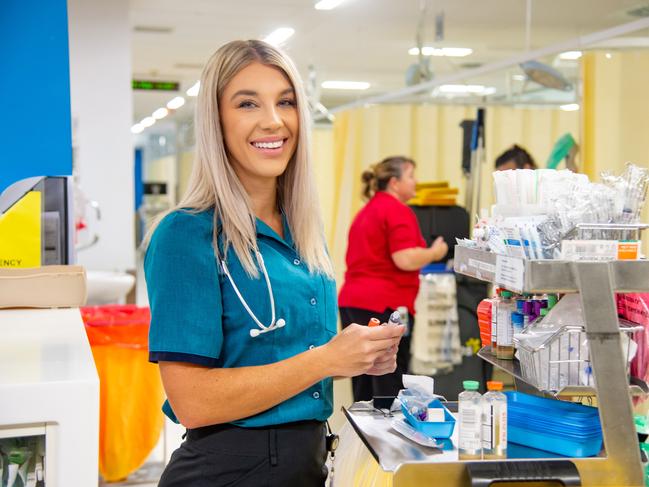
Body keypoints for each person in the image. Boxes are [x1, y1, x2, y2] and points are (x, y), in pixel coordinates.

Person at [143, 40, 405, 487]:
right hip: (228, 469)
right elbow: (192, 401)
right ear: (216, 122)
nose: (274, 120)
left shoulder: (302, 232)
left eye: (286, 102)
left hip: (304, 460)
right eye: (248, 103)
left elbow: (290, 355)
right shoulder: (187, 235)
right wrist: (325, 360)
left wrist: (356, 356)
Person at [338, 156, 448, 401]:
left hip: (352, 302)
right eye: (411, 176)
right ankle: (387, 437)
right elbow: (405, 259)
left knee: (363, 377)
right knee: (389, 378)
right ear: (395, 182)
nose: (416, 181)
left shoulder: (366, 211)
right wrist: (435, 252)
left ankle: (362, 437)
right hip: (382, 304)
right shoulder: (396, 210)